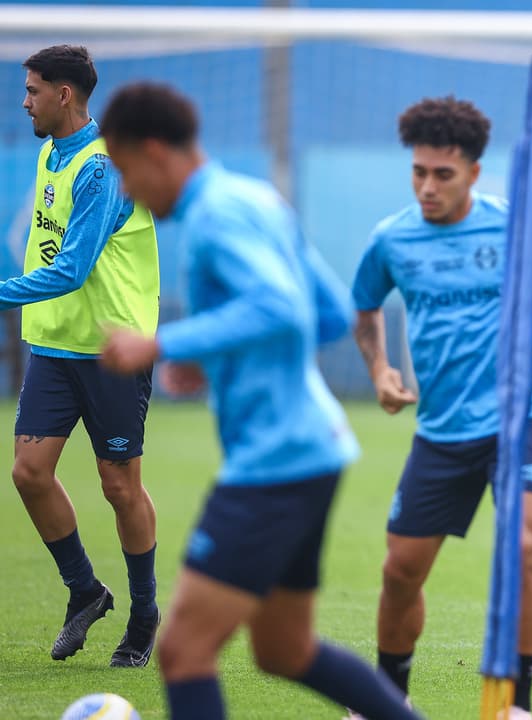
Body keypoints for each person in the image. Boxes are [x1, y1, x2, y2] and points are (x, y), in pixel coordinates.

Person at [96, 82, 422, 720]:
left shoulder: (214, 218)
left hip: (273, 464)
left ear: (156, 153)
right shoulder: (254, 198)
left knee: (185, 647)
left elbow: (281, 307)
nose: (126, 191)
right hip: (313, 449)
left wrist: (165, 343)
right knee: (283, 648)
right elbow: (325, 314)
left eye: (126, 171)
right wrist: (215, 357)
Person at [351, 96, 532, 718]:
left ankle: (516, 704)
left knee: (523, 549)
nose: (427, 187)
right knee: (400, 570)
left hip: (521, 420)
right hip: (441, 430)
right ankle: (386, 696)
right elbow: (365, 307)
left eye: (443, 175)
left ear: (474, 174)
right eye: (418, 173)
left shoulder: (511, 223)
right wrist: (380, 370)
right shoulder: (392, 239)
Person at [8, 44, 160, 667]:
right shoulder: (52, 151)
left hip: (110, 350)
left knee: (119, 487)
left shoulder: (104, 169)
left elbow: (71, 268)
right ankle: (85, 591)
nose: (25, 102)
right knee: (28, 473)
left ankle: (145, 615)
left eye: (33, 90)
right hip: (54, 345)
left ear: (64, 95)